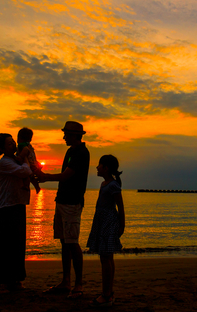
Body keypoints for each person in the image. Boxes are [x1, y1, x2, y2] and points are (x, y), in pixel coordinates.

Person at [39, 121, 90, 299]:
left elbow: (67, 175)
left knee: (72, 242)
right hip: (62, 201)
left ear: (75, 135)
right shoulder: (71, 151)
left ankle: (78, 284)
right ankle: (66, 281)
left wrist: (45, 177)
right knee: (64, 241)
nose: (63, 137)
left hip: (72, 203)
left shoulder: (81, 153)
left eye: (66, 134)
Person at [0, 133, 33, 294]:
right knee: (2, 246)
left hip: (18, 204)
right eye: (9, 144)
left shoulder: (15, 159)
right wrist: (26, 158)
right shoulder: (4, 163)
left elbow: (29, 169)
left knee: (17, 245)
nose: (13, 144)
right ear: (1, 149)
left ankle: (14, 279)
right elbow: (24, 172)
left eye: (13, 141)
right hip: (5, 207)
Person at [87, 155, 125, 308]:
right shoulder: (104, 184)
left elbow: (120, 207)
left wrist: (122, 226)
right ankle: (108, 292)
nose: (97, 167)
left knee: (106, 258)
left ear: (106, 168)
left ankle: (106, 294)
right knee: (107, 257)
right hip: (102, 222)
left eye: (99, 165)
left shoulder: (113, 185)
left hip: (109, 223)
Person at [17, 127, 41, 194]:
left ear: (19, 138)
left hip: (29, 163)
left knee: (27, 176)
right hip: (33, 163)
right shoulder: (29, 145)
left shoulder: (22, 145)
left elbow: (25, 150)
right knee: (32, 177)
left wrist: (20, 157)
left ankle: (26, 185)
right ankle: (37, 186)